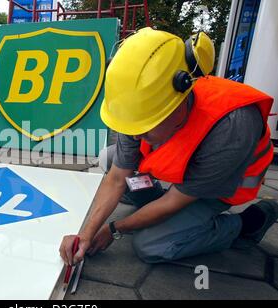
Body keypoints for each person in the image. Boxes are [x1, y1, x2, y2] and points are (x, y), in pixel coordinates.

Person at [60, 27, 278, 266]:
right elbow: (115, 178)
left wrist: (114, 228)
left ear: (181, 99)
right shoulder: (137, 101)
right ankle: (152, 203)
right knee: (110, 159)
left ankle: (246, 225)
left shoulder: (231, 124)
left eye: (146, 124)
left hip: (217, 188)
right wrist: (86, 234)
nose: (135, 134)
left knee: (152, 245)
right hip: (182, 179)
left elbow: (176, 201)